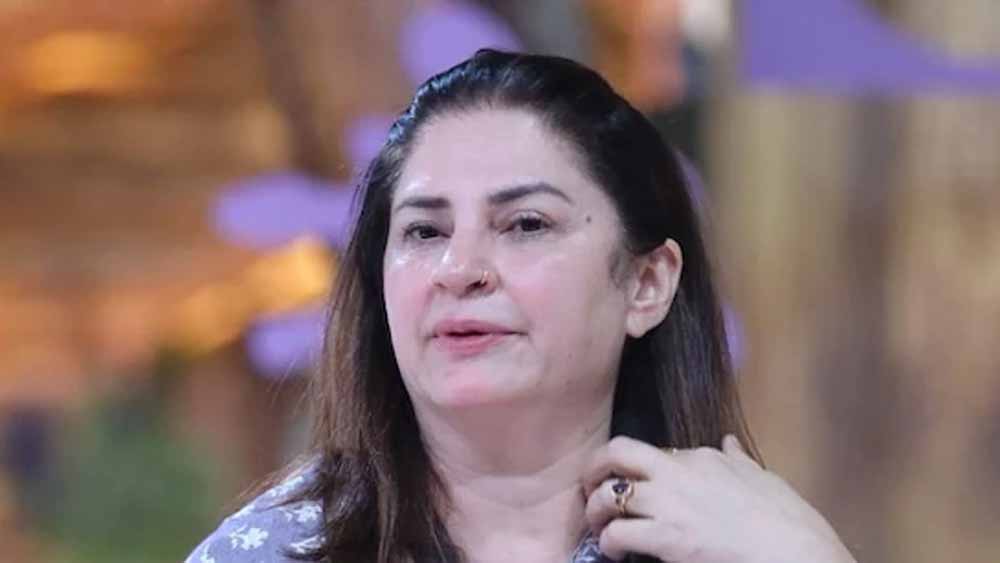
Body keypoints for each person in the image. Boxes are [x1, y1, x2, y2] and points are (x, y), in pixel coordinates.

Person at [186, 50, 857, 563]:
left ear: (647, 283)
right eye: (425, 232)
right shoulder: (273, 553)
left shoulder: (738, 544)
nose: (460, 270)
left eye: (526, 224)